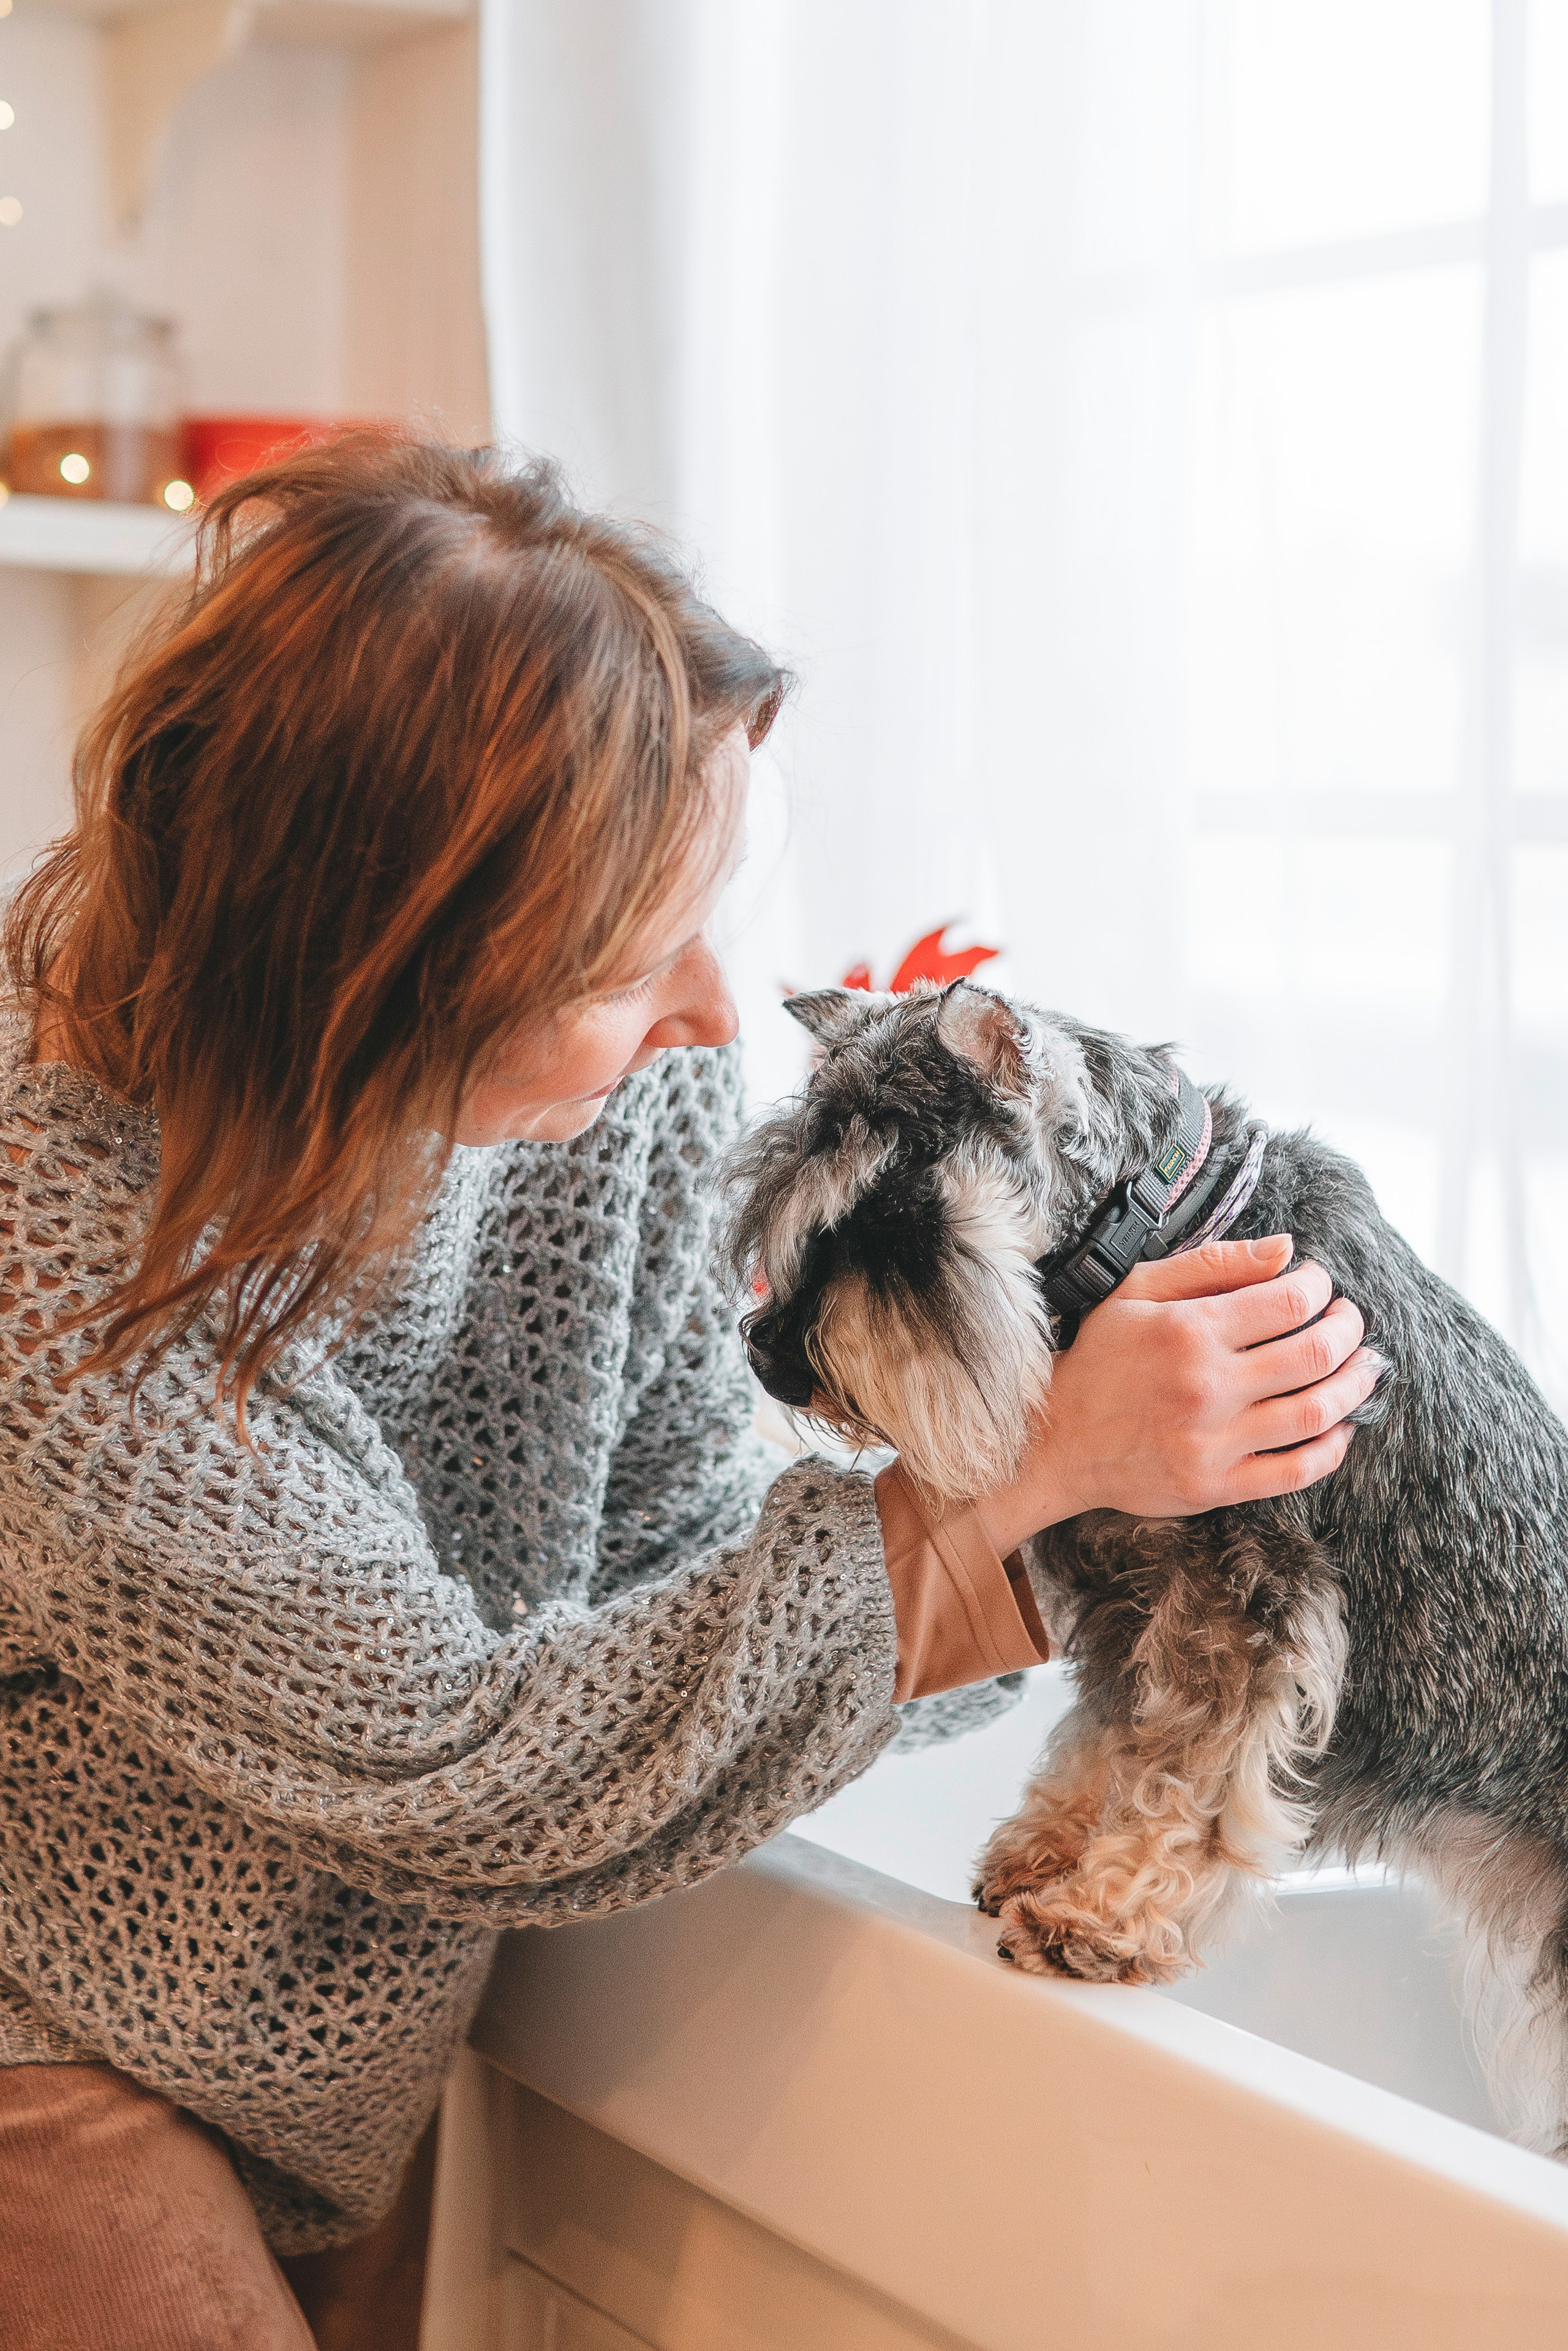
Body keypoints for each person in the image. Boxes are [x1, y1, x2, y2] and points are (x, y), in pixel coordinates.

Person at [0, 439, 1377, 2350]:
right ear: (376, 959)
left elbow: (670, 1565)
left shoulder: (599, 1097)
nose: (720, 1013)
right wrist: (1008, 1493)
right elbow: (464, 1744)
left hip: (334, 2058)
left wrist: (1058, 1484)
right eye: (631, 950)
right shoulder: (62, 1281)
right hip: (42, 2051)